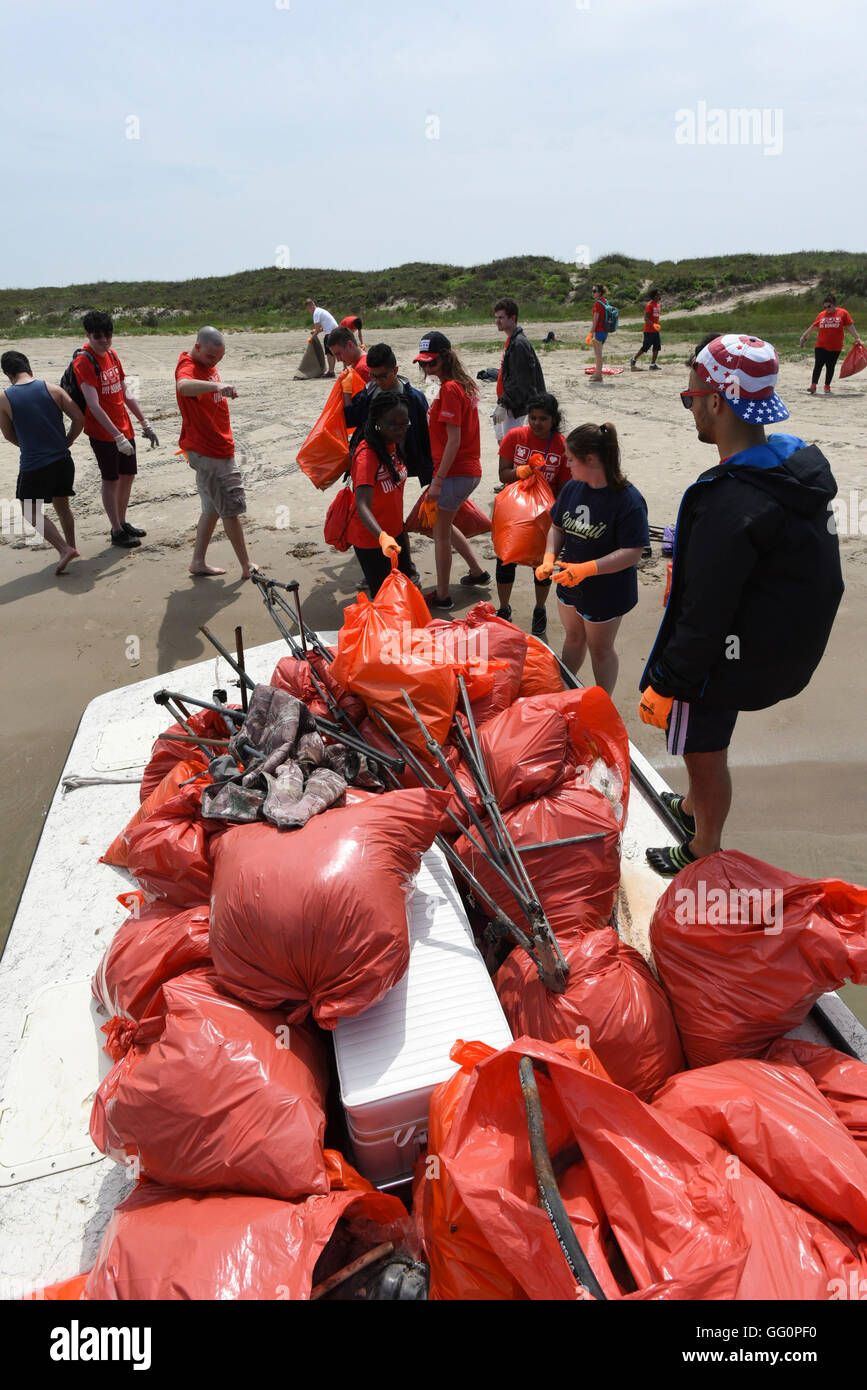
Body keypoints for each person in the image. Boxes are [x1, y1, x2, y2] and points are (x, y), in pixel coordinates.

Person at [638, 333, 843, 876]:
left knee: (701, 750)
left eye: (690, 399)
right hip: (763, 649)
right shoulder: (792, 466)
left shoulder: (731, 500)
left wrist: (668, 679)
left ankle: (703, 844)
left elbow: (703, 610)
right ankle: (687, 807)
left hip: (715, 660)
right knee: (706, 743)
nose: (691, 410)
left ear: (716, 401)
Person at [537, 422, 648, 694]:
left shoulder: (628, 500)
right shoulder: (573, 488)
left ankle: (603, 702)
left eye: (571, 459)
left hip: (607, 590)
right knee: (573, 637)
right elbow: (557, 527)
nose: (567, 464)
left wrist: (588, 569)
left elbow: (632, 552)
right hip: (569, 583)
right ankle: (564, 690)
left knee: (600, 649)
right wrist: (549, 557)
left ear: (591, 459)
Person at [414, 331, 490, 609]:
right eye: (423, 364)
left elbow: (454, 440)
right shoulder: (464, 384)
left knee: (440, 534)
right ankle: (477, 572)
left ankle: (443, 596)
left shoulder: (449, 389)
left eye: (431, 363)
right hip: (468, 471)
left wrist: (437, 480)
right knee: (443, 524)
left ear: (446, 358)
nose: (426, 369)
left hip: (456, 472)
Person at [175, 326, 257, 579]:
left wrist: (223, 389)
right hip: (208, 451)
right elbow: (183, 386)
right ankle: (246, 565)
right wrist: (216, 386)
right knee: (230, 508)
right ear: (198, 346)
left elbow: (211, 390)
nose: (214, 362)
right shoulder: (187, 364)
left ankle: (197, 561)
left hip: (215, 446)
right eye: (211, 357)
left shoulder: (207, 363)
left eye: (219, 359)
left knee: (211, 507)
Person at [73, 310, 158, 548]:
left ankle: (123, 520)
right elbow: (93, 404)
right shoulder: (84, 361)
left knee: (128, 476)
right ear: (88, 334)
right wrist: (116, 436)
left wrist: (143, 422)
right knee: (110, 479)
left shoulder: (111, 354)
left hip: (124, 427)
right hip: (103, 432)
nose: (104, 340)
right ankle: (116, 530)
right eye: (98, 336)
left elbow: (124, 391)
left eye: (108, 335)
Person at [0, 351, 83, 575]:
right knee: (62, 505)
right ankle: (72, 545)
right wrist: (68, 440)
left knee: (29, 509)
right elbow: (78, 418)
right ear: (29, 368)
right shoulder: (53, 389)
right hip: (63, 460)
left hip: (35, 464)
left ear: (8, 375)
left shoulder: (5, 398)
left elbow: (7, 434)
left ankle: (64, 549)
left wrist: (27, 446)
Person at [495, 392, 570, 634]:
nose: (537, 423)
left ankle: (540, 608)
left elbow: (563, 488)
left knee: (542, 564)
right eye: (533, 418)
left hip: (543, 516)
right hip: (513, 514)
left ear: (553, 419)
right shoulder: (515, 437)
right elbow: (502, 474)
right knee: (506, 559)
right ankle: (504, 607)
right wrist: (521, 472)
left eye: (543, 419)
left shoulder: (561, 445)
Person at [344, 390, 412, 597]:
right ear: (377, 422)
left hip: (395, 533)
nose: (400, 430)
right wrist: (382, 537)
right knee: (385, 599)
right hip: (372, 540)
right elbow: (362, 504)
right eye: (393, 424)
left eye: (404, 424)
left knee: (404, 591)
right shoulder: (367, 456)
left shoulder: (391, 445)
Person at [491, 297, 545, 442]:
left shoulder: (519, 344)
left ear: (512, 318)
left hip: (515, 406)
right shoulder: (511, 340)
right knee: (503, 442)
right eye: (496, 317)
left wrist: (504, 403)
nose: (497, 321)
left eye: (501, 317)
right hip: (508, 402)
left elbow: (522, 381)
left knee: (513, 448)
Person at [799, 293, 863, 394]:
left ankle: (827, 386)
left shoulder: (843, 313)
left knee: (830, 366)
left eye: (829, 306)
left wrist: (857, 338)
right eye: (825, 307)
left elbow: (850, 326)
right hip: (821, 345)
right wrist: (804, 335)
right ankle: (813, 385)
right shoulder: (821, 315)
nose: (827, 309)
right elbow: (814, 326)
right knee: (818, 365)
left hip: (835, 346)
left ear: (834, 304)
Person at [304, 298, 339, 376]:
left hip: (330, 333)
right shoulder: (320, 310)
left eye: (308, 309)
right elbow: (322, 328)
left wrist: (311, 338)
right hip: (335, 331)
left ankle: (331, 372)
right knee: (331, 353)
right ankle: (331, 371)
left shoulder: (316, 313)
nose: (308, 311)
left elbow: (317, 330)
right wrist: (316, 331)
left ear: (310, 306)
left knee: (329, 353)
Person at [631, 289, 662, 370]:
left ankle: (653, 364)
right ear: (655, 296)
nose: (660, 296)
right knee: (645, 347)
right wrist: (654, 325)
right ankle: (634, 359)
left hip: (655, 331)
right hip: (648, 331)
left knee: (657, 347)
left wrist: (657, 326)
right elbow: (646, 318)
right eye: (659, 294)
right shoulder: (649, 305)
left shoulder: (658, 305)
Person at [589, 283, 609, 383]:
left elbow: (595, 319)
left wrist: (591, 333)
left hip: (599, 331)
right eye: (592, 291)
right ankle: (597, 373)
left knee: (598, 354)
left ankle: (598, 376)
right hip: (605, 331)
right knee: (599, 353)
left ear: (599, 293)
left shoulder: (598, 303)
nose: (593, 293)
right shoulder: (605, 301)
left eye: (595, 291)